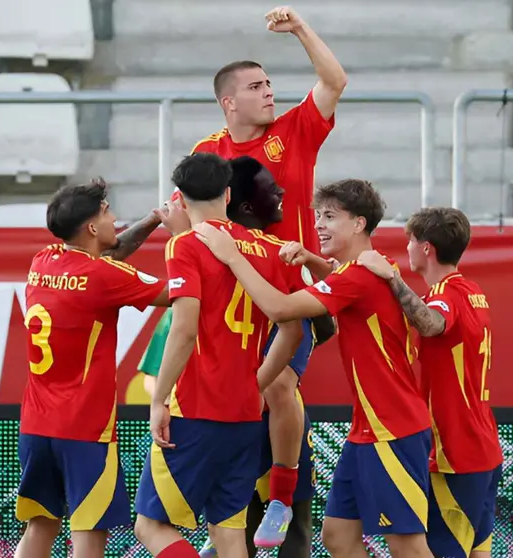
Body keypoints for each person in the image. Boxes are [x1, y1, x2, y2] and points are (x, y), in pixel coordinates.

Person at [194, 179, 434, 558]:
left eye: (330, 217)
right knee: (338, 537)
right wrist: (310, 259)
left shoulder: (359, 275)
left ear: (358, 224)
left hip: (394, 427)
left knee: (408, 547)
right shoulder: (372, 266)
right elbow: (340, 281)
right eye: (318, 215)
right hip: (366, 431)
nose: (319, 224)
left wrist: (232, 256)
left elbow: (279, 308)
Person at [192, 6, 347, 542]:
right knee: (232, 400)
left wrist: (301, 28)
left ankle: (282, 499)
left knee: (277, 382)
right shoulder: (207, 152)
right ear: (228, 101)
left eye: (270, 83)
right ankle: (226, 526)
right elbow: (191, 223)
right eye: (256, 86)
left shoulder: (295, 130)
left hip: (289, 292)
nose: (268, 92)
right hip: (229, 301)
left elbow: (335, 80)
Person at [133, 153, 304, 558]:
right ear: (227, 194)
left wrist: (159, 400)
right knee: (229, 533)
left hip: (194, 410)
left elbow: (185, 327)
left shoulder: (186, 245)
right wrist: (256, 382)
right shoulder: (269, 248)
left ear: (181, 198)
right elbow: (292, 328)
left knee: (150, 525)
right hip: (245, 412)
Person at [15, 179, 173, 558]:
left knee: (40, 526)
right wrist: (186, 238)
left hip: (36, 426)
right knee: (89, 534)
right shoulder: (104, 278)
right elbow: (180, 294)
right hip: (85, 430)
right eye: (107, 211)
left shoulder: (44, 260)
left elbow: (108, 256)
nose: (115, 218)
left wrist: (154, 219)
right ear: (90, 227)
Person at [357, 208, 504, 558]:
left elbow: (432, 323)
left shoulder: (447, 294)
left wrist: (392, 280)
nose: (405, 247)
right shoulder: (473, 291)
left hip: (456, 452)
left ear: (426, 248)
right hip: (482, 447)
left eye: (410, 240)